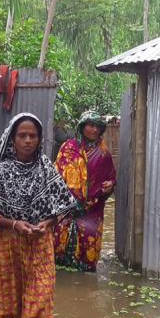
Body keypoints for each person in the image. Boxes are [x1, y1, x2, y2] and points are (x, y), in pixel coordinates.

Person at [0, 113, 77, 318]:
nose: (28, 140)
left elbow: (65, 206)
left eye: (33, 136)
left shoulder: (45, 168)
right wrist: (15, 224)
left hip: (39, 244)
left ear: (39, 139)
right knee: (8, 314)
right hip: (6, 246)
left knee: (39, 305)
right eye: (22, 135)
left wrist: (46, 223)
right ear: (12, 138)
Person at [53, 111, 117, 272]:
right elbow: (55, 176)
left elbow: (111, 178)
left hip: (91, 212)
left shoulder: (104, 155)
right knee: (58, 254)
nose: (94, 130)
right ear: (82, 127)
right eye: (90, 125)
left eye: (97, 127)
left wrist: (110, 186)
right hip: (65, 210)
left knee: (88, 257)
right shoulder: (68, 148)